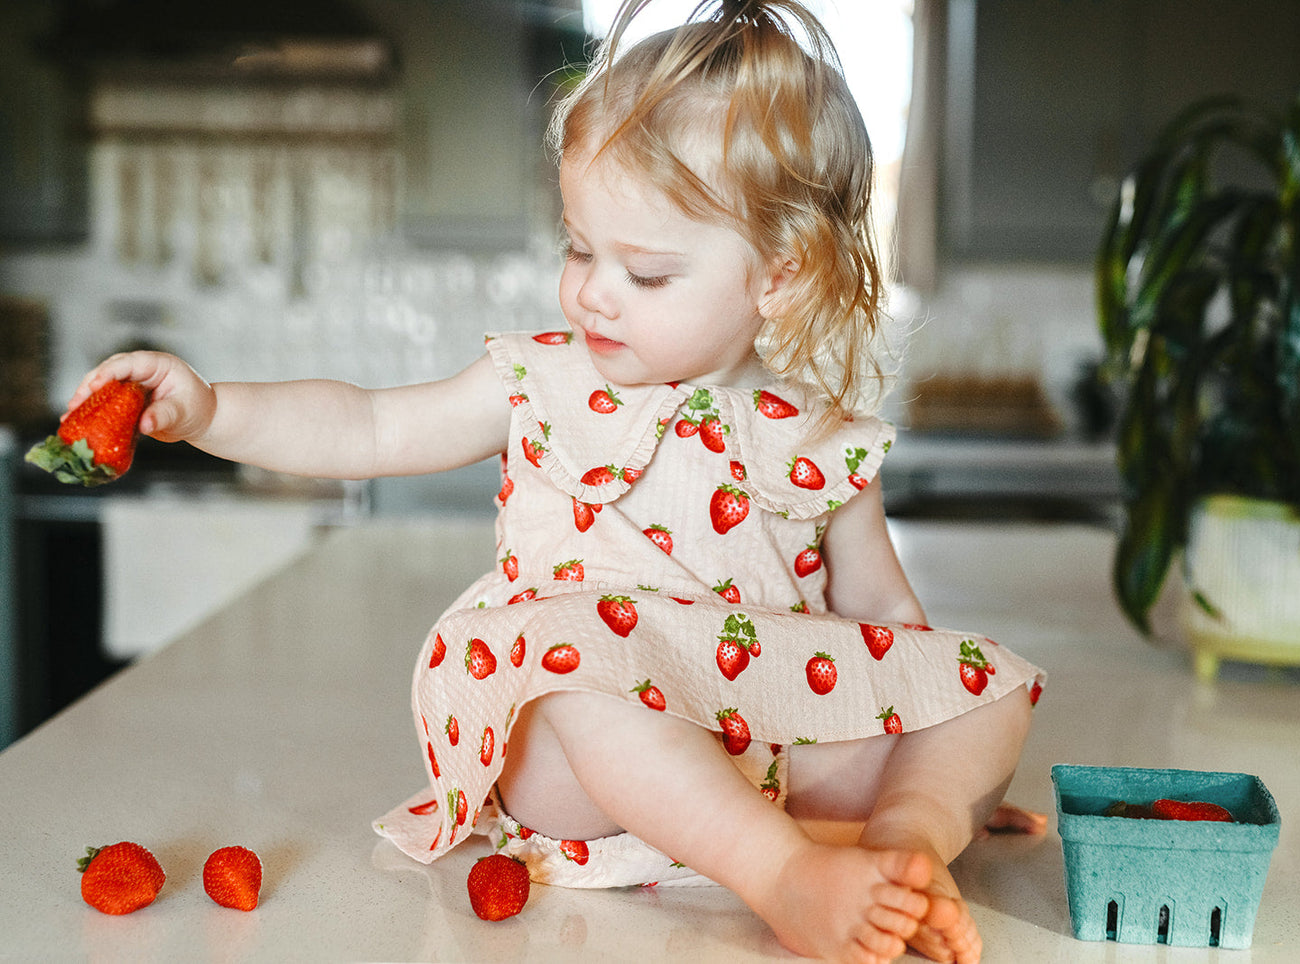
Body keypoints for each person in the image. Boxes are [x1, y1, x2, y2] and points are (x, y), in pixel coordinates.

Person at [65, 2, 1045, 960]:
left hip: (761, 748)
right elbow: (368, 421)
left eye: (645, 272)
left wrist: (935, 754)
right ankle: (781, 875)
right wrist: (210, 411)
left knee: (984, 683)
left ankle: (901, 854)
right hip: (573, 751)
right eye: (578, 247)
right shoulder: (538, 377)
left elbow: (885, 623)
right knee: (582, 656)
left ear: (777, 275)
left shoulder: (822, 440)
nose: (590, 291)